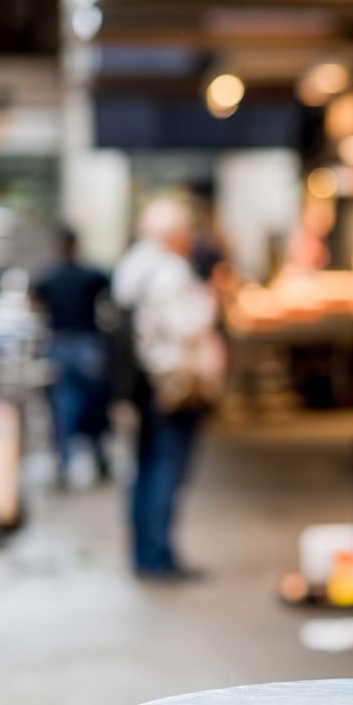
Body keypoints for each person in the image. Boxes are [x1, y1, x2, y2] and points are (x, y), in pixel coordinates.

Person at [113, 197, 226, 580]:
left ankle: (145, 550)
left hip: (145, 381)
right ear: (176, 234)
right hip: (172, 382)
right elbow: (188, 326)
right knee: (165, 468)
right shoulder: (171, 272)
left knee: (145, 467)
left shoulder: (132, 264)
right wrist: (213, 298)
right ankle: (157, 554)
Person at [33, 226, 112, 486]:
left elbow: (33, 301)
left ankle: (65, 462)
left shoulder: (49, 277)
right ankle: (100, 457)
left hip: (61, 345)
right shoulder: (91, 275)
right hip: (87, 346)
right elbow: (111, 293)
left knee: (64, 406)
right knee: (95, 403)